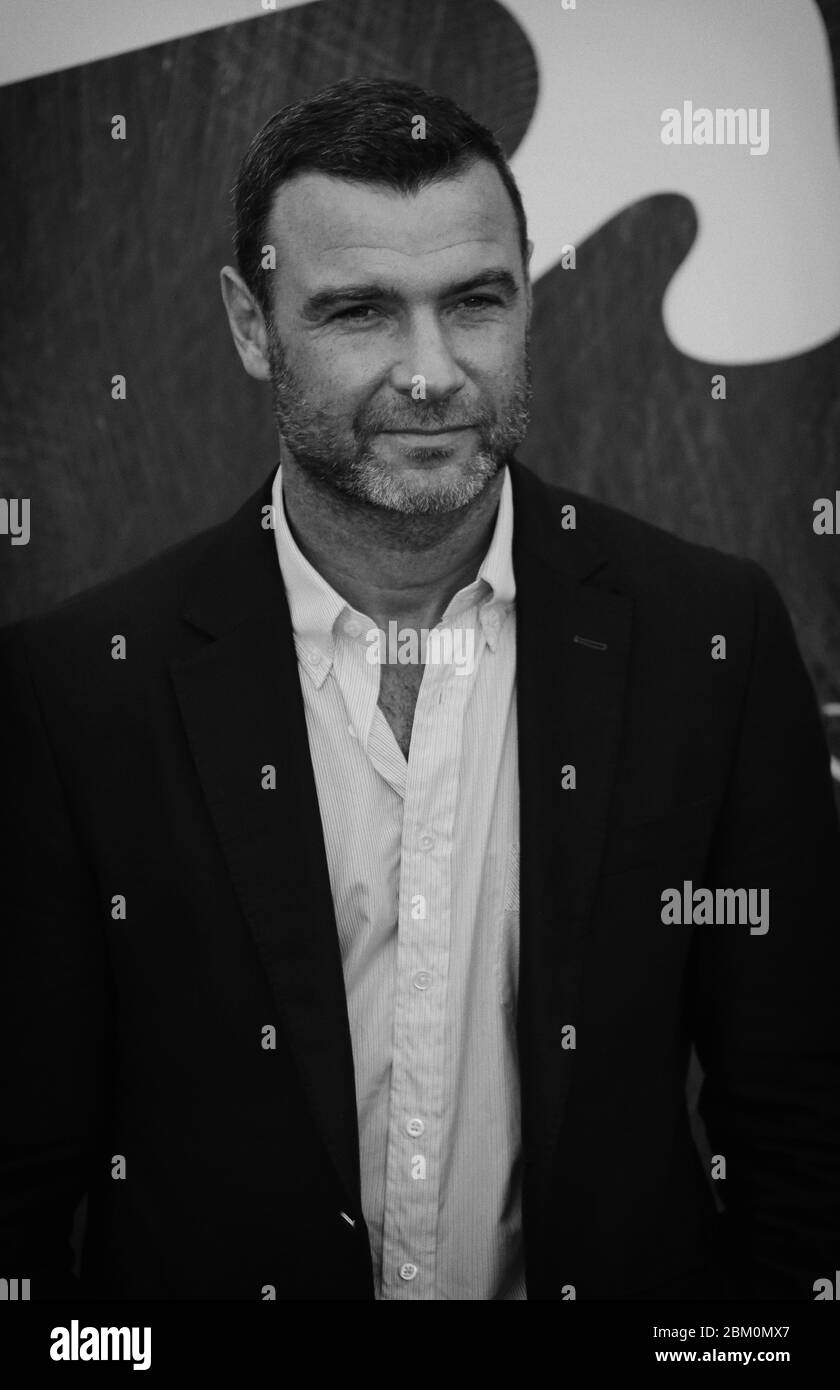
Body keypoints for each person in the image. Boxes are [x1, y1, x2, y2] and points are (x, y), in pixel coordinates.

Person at [1, 76, 838, 1302]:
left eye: (476, 302)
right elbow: (23, 1177)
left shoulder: (711, 640)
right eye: (358, 313)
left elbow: (802, 1126)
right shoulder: (77, 688)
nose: (433, 373)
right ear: (251, 322)